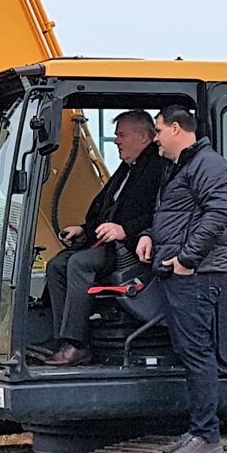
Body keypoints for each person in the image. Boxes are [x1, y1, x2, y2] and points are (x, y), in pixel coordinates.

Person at [136, 105, 227, 453]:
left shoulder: (209, 165)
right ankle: (197, 431)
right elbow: (177, 215)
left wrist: (186, 260)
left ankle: (207, 435)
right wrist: (149, 234)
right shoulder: (181, 166)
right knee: (189, 351)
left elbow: (219, 215)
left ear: (176, 128)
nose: (156, 139)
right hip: (180, 273)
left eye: (159, 131)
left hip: (196, 275)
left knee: (197, 353)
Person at [45, 110, 163, 367]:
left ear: (143, 137)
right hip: (108, 243)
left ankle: (78, 344)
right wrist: (84, 230)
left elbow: (159, 215)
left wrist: (124, 230)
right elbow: (108, 211)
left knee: (80, 263)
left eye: (121, 135)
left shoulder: (157, 169)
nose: (116, 141)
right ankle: (61, 340)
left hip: (131, 249)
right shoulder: (127, 168)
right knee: (56, 265)